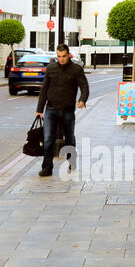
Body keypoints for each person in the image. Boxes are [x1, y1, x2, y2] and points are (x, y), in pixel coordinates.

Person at [36, 44, 89, 177]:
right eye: (59, 56)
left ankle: (72, 161)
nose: (61, 59)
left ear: (68, 55)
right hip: (51, 109)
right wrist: (39, 109)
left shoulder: (76, 69)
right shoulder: (51, 68)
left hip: (68, 111)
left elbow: (84, 86)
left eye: (64, 56)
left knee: (69, 139)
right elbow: (44, 89)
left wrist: (82, 99)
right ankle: (47, 168)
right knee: (48, 139)